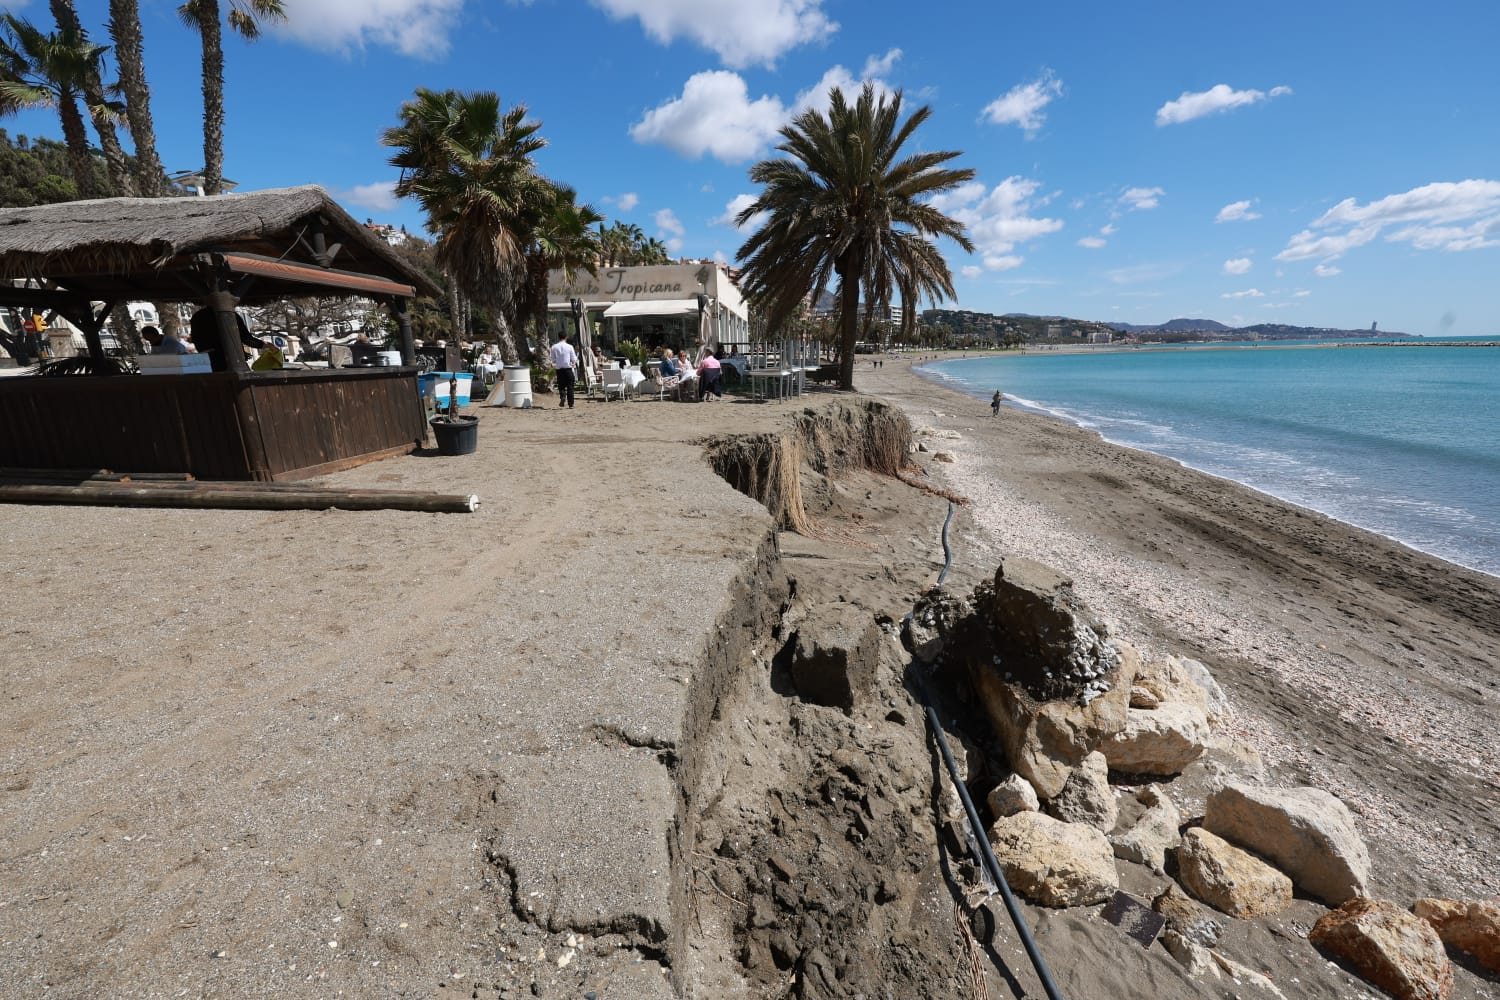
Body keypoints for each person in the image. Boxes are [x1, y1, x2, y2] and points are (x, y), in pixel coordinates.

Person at [188, 307, 264, 371]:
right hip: (233, 362)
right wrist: (264, 345)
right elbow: (246, 338)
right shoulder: (230, 315)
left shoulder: (198, 316)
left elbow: (195, 340)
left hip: (209, 363)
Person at [549, 330, 579, 409]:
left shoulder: (554, 347)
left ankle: (562, 396)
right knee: (570, 387)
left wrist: (555, 363)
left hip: (559, 370)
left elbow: (552, 359)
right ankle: (571, 404)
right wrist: (574, 362)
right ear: (566, 337)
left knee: (561, 386)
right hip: (568, 369)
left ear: (558, 337)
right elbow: (573, 359)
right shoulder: (570, 347)